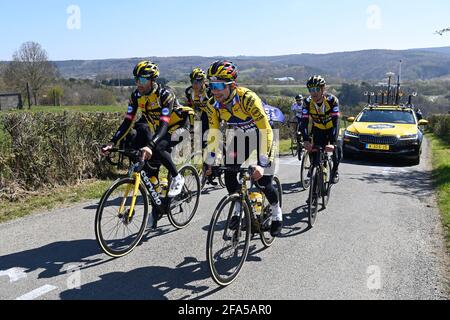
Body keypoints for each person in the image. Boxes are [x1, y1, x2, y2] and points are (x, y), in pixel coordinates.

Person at [204, 60, 283, 237]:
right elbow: (214, 134)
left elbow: (266, 130)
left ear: (231, 85)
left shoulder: (248, 98)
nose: (214, 91)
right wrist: (211, 161)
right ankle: (238, 209)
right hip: (242, 137)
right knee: (230, 175)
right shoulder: (212, 105)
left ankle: (277, 212)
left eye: (218, 85)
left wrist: (262, 163)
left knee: (264, 182)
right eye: (211, 85)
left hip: (264, 136)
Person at [101, 60, 190, 198]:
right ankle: (158, 187)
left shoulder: (165, 94)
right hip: (160, 128)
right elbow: (128, 121)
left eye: (142, 79)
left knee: (157, 147)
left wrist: (151, 145)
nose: (138, 83)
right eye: (136, 79)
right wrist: (112, 142)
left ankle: (177, 177)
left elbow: (164, 124)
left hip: (179, 126)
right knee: (145, 152)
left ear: (152, 80)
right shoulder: (136, 96)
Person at [300, 75, 341, 185]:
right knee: (315, 151)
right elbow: (303, 122)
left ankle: (335, 170)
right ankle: (318, 169)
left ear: (323, 89)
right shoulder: (307, 102)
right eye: (311, 90)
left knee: (336, 149)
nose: (314, 93)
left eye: (317, 89)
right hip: (319, 128)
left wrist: (332, 143)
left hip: (332, 128)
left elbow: (336, 121)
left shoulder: (332, 100)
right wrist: (305, 140)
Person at [185, 68, 218, 186]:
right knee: (201, 143)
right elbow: (191, 109)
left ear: (204, 82)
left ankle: (212, 164)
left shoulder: (210, 91)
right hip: (202, 113)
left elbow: (217, 107)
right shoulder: (189, 92)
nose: (195, 85)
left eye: (198, 82)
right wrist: (191, 126)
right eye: (193, 81)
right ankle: (206, 168)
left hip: (214, 114)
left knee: (210, 141)